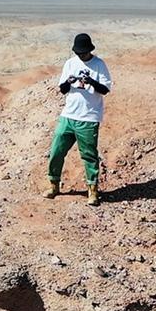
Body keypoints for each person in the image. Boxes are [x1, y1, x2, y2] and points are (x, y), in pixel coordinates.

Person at [45, 33, 112, 207]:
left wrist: (91, 81)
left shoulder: (99, 65)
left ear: (89, 50)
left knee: (89, 156)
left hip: (88, 117)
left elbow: (105, 89)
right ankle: (54, 184)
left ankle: (92, 189)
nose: (80, 56)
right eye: (78, 53)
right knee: (56, 151)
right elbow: (63, 89)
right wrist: (69, 81)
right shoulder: (70, 63)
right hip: (68, 115)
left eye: (83, 53)